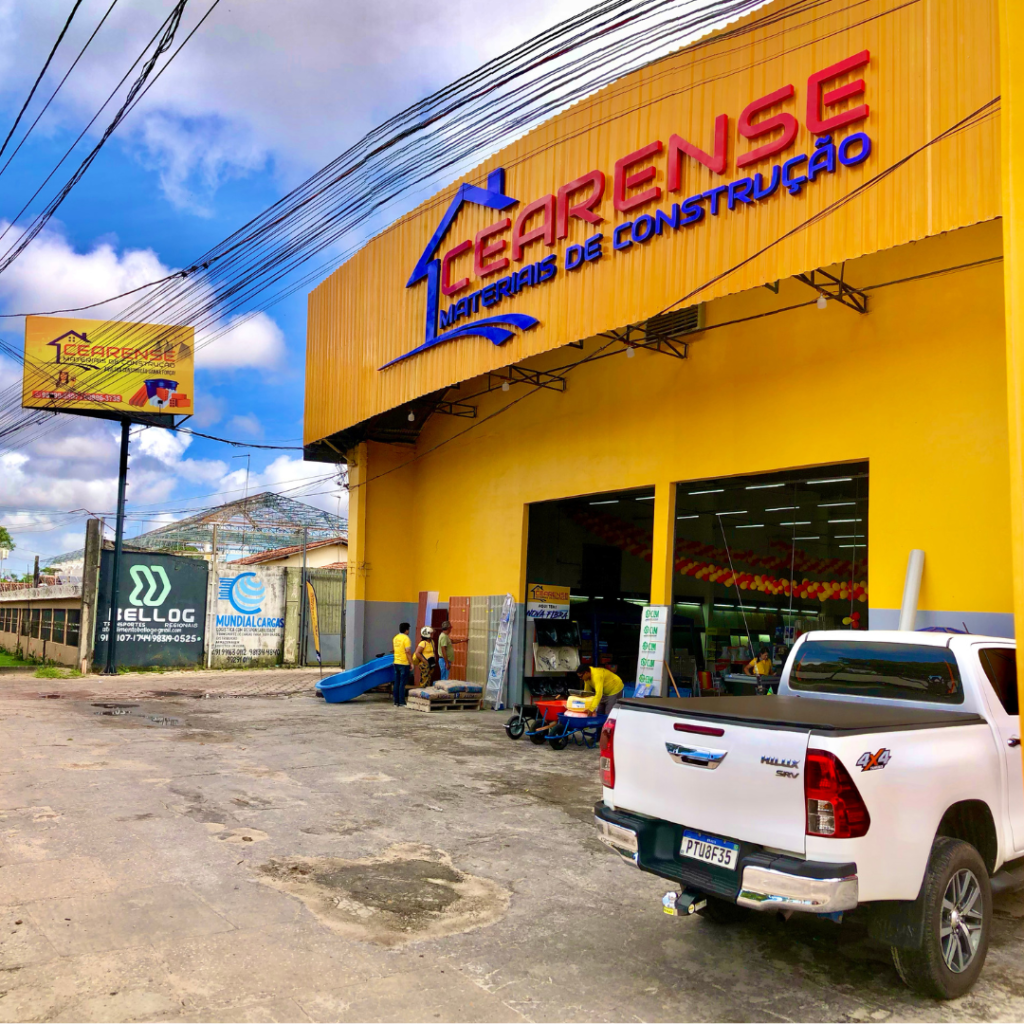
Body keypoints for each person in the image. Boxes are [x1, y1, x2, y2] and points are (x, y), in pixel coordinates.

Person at [392, 622, 412, 706]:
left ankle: (396, 701)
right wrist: (411, 663)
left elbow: (394, 650)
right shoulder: (406, 638)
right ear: (406, 630)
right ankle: (401, 701)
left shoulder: (395, 638)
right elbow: (407, 651)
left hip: (396, 662)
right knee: (402, 683)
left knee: (396, 682)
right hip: (404, 663)